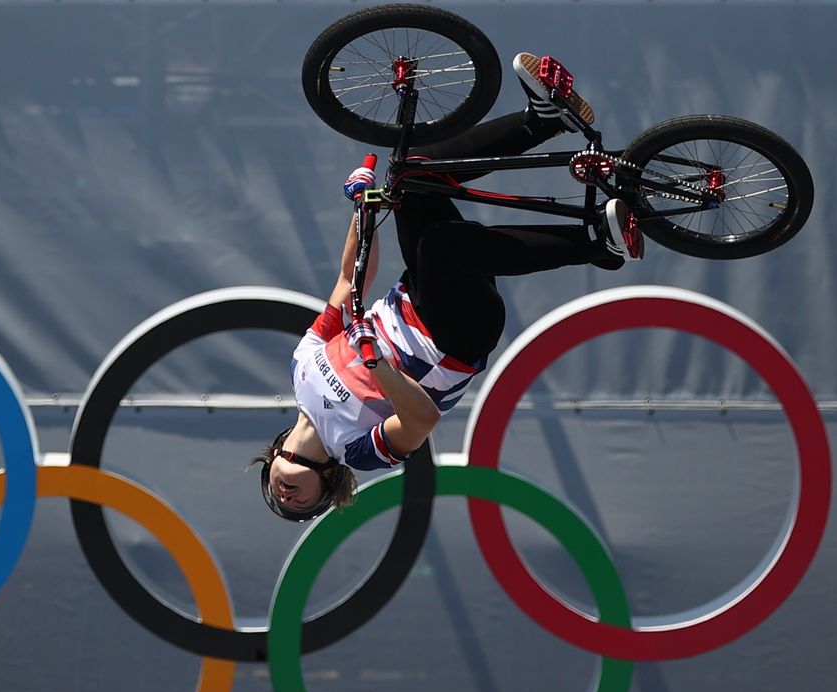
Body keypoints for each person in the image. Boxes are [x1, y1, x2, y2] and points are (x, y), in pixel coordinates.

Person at [252, 54, 644, 522]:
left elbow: (349, 279)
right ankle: (598, 243)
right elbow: (422, 420)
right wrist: (374, 362)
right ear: (329, 485)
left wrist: (364, 208)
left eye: (278, 498)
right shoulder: (356, 451)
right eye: (300, 506)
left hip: (420, 293)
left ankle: (542, 121)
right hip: (454, 340)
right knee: (441, 246)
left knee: (412, 175)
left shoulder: (300, 368)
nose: (287, 498)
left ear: (270, 461)